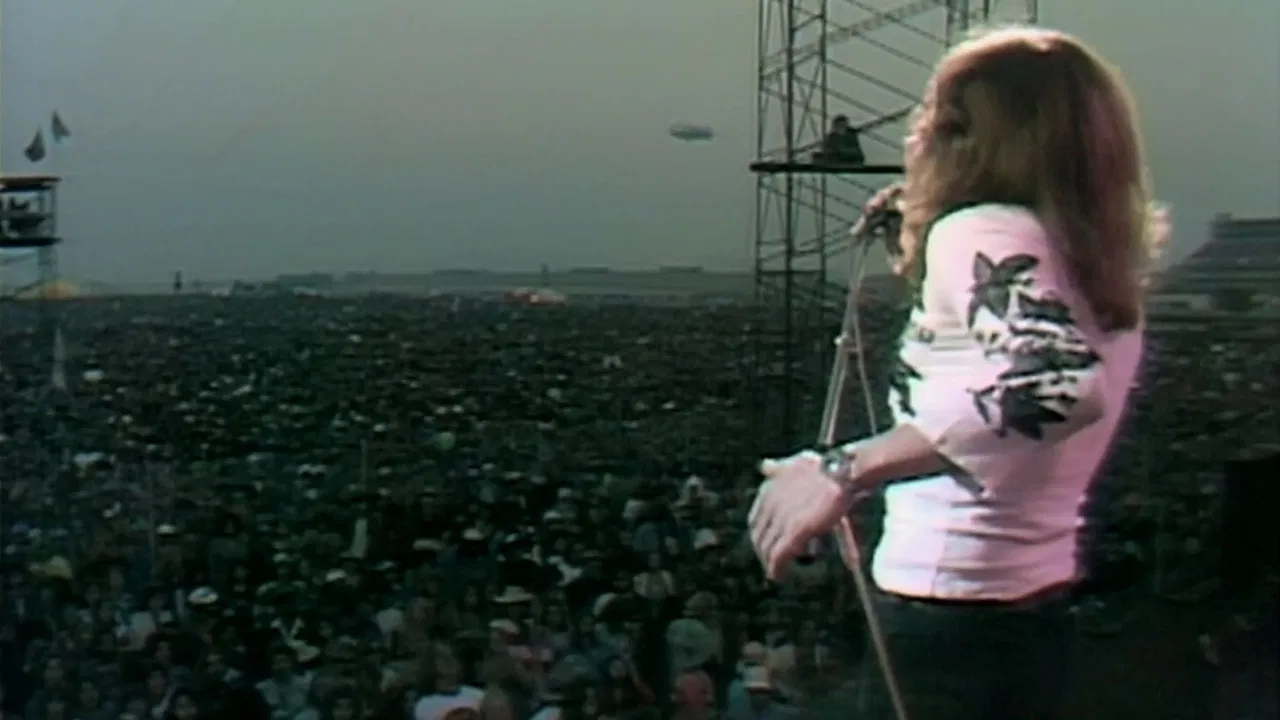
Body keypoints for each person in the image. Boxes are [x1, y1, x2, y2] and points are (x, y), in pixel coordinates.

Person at [748, 26, 1167, 720]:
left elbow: (1057, 384)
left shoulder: (980, 231)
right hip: (1030, 615)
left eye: (935, 113)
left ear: (966, 134)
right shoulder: (1087, 251)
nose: (917, 132)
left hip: (943, 625)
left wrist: (844, 469)